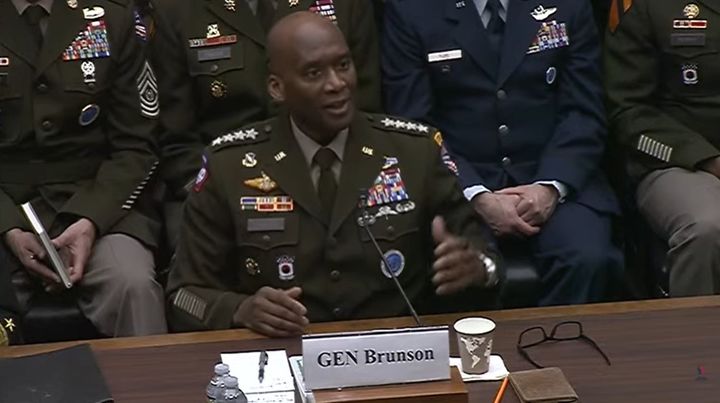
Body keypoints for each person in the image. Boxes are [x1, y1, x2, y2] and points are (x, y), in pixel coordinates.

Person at [166, 12, 500, 337]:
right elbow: (184, 296)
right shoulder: (230, 166)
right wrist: (240, 310)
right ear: (277, 88)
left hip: (394, 350)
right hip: (283, 352)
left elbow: (487, 256)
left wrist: (477, 268)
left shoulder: (415, 152)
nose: (337, 84)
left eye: (343, 65)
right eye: (314, 73)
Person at [382, 0, 623, 305]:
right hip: (457, 183)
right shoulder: (412, 10)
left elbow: (583, 112)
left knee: (588, 257)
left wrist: (549, 187)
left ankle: (559, 339)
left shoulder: (568, 4)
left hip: (551, 173)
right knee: (457, 270)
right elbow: (415, 127)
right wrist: (475, 194)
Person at [151, 0, 381, 250]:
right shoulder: (176, 9)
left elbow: (364, 110)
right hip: (221, 187)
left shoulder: (346, 5)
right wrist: (222, 198)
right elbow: (178, 142)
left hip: (329, 175)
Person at [0, 0, 167, 337]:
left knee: (132, 285)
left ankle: (152, 375)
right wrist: (8, 227)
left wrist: (91, 219)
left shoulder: (112, 14)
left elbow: (136, 145)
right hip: (6, 203)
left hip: (98, 201)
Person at [605, 0, 720, 296]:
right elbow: (627, 110)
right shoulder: (644, 6)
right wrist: (707, 159)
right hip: (681, 161)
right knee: (707, 228)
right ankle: (694, 326)